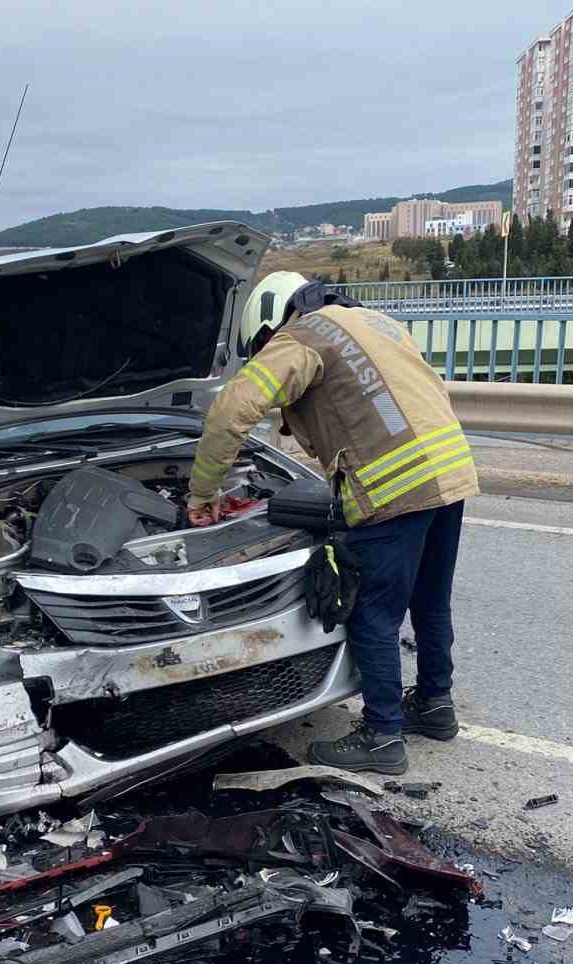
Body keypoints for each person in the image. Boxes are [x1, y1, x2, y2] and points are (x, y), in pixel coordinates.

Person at [184, 271, 477, 776]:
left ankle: (382, 736)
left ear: (267, 324)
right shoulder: (373, 322)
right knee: (430, 601)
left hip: (396, 488)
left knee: (373, 614)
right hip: (450, 474)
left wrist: (202, 493)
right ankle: (435, 706)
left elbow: (232, 408)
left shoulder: (298, 337)